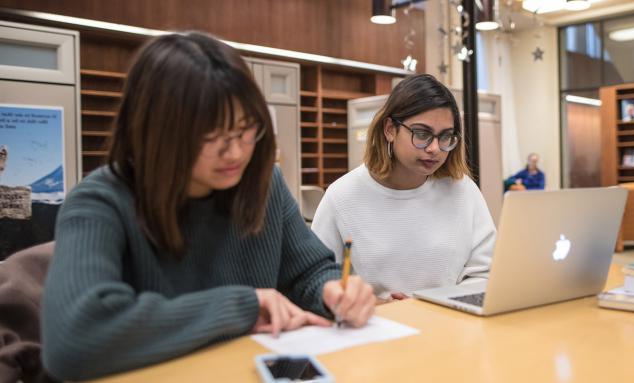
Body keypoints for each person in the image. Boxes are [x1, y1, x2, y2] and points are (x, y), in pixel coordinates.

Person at [41, 32, 375, 381]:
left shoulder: (264, 184)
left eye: (246, 130)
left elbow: (308, 271)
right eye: (210, 137)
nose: (234, 153)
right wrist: (240, 306)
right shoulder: (101, 201)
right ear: (157, 132)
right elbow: (73, 339)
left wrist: (335, 290)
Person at [311, 74, 495, 302]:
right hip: (374, 328)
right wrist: (375, 304)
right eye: (422, 134)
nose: (435, 148)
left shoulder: (463, 191)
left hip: (449, 327)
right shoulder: (343, 196)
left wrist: (429, 305)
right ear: (390, 129)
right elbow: (316, 281)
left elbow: (485, 275)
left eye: (446, 136)